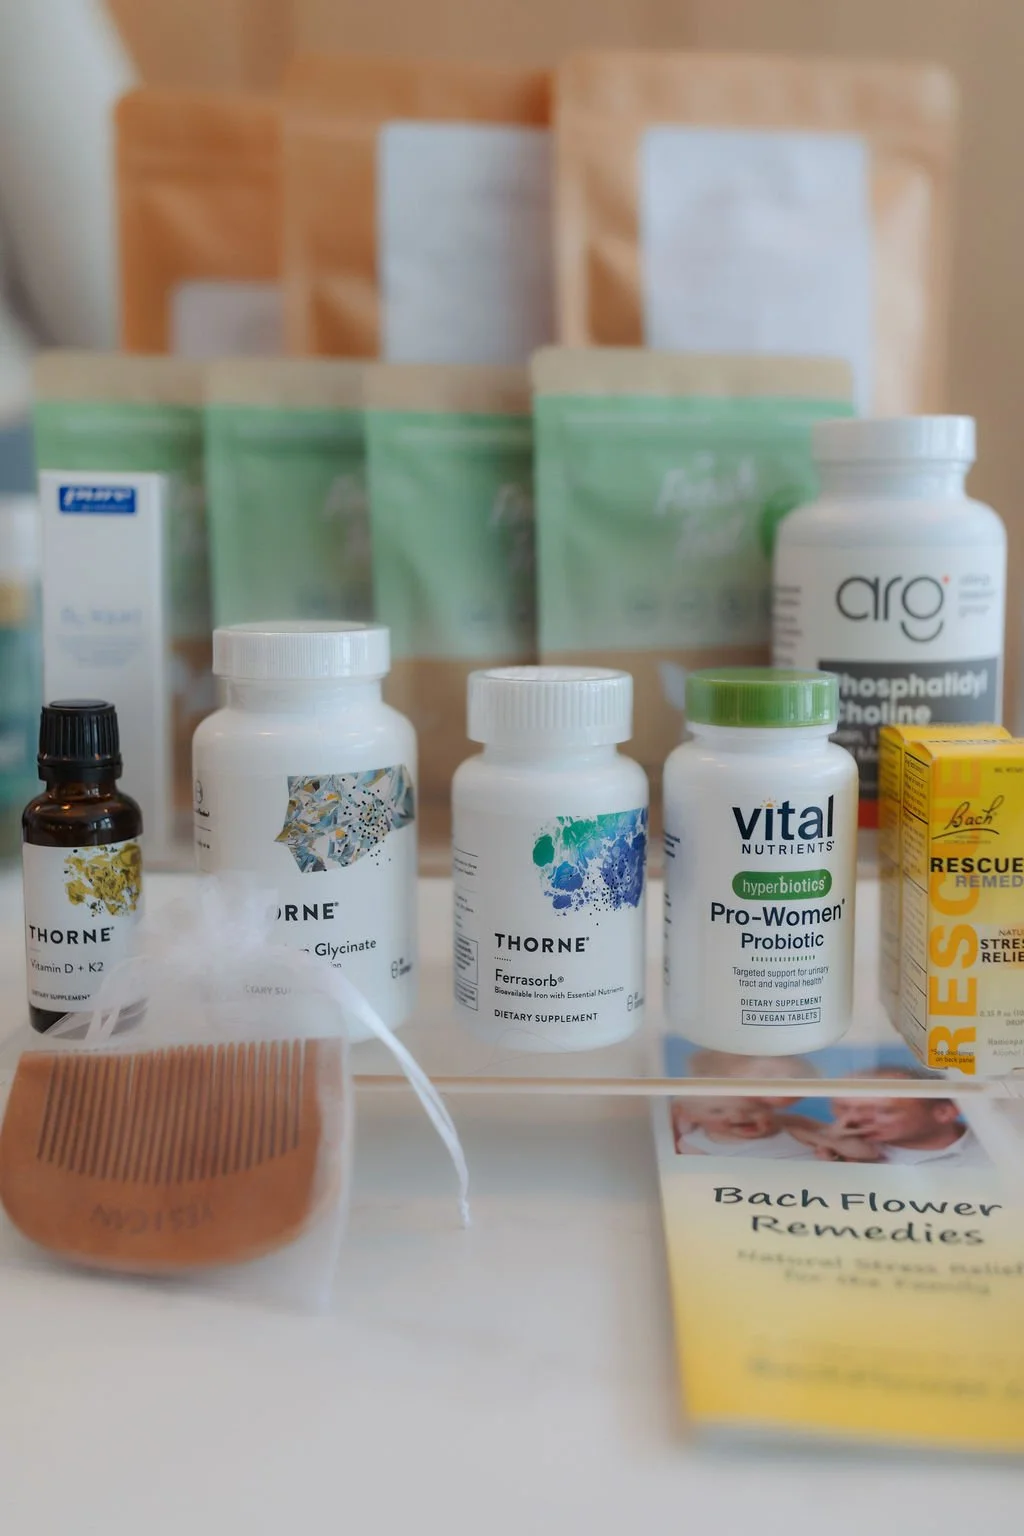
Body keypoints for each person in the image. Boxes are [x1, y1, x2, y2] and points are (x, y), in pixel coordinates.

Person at [828, 1073, 989, 1166]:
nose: (853, 1118)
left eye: (884, 1111)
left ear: (944, 1112)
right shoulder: (832, 1151)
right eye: (843, 1108)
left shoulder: (997, 1146)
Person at [671, 1096, 878, 1161]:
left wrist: (837, 1140)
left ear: (772, 1111)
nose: (739, 1116)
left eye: (752, 1110)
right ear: (693, 1116)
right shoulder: (695, 1144)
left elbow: (868, 1154)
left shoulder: (790, 1131)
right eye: (717, 1111)